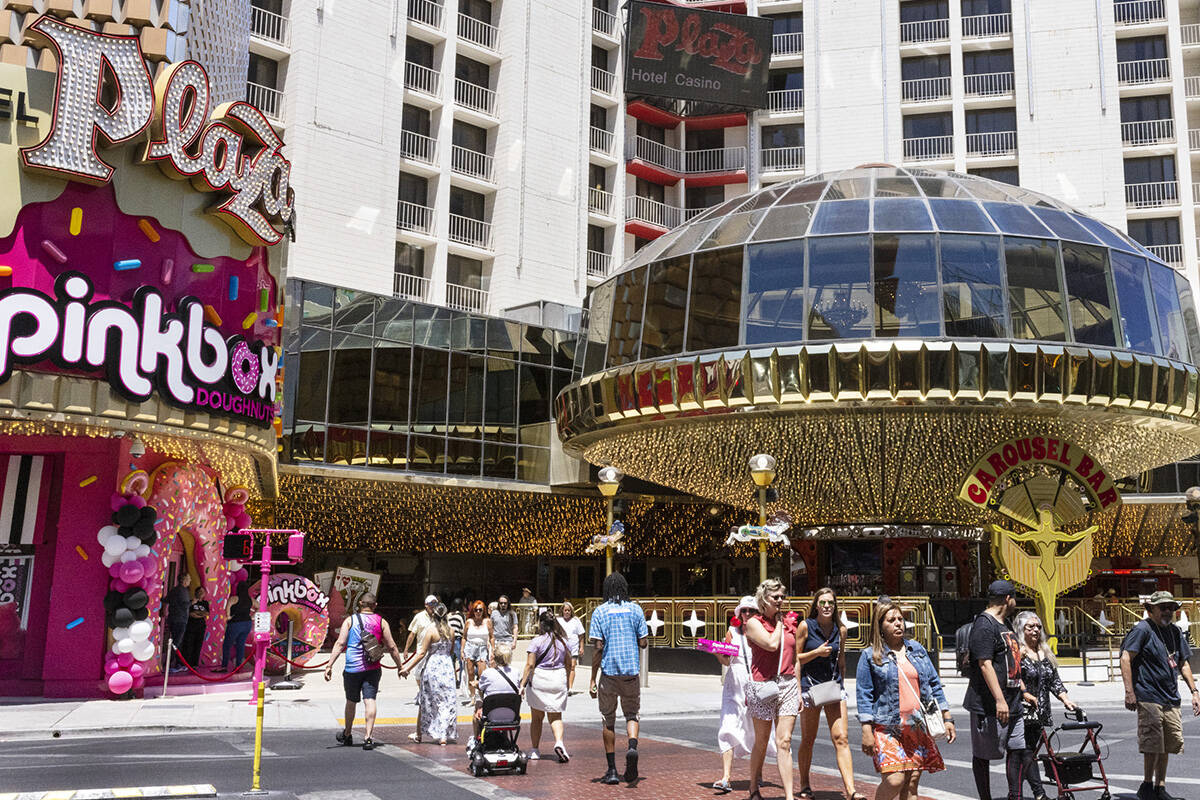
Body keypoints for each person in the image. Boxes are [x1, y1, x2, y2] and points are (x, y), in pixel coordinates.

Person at [857, 600, 954, 800]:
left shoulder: (917, 650)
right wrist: (866, 730)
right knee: (895, 780)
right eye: (891, 620)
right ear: (880, 625)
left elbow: (935, 684)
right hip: (887, 727)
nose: (898, 623)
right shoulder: (870, 656)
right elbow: (864, 693)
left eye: (900, 619)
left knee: (911, 785)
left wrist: (947, 716)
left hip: (916, 727)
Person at [1119, 590, 1200, 800]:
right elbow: (1126, 658)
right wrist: (1129, 692)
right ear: (1150, 609)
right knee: (1152, 744)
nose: (1168, 611)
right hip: (1148, 695)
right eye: (1162, 607)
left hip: (1170, 697)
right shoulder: (1142, 630)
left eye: (1171, 608)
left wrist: (1194, 692)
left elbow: (1183, 663)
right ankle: (1146, 786)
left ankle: (1159, 787)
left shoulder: (1174, 632)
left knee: (1168, 743)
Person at [963, 580, 1026, 800]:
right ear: (1008, 599)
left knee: (1017, 749)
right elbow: (984, 663)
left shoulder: (1005, 623)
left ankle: (1014, 795)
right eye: (1015, 598)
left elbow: (1007, 660)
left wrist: (1022, 689)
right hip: (988, 704)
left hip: (1014, 700)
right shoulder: (984, 624)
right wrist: (1000, 700)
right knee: (983, 755)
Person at [797, 588, 860, 800]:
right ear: (816, 605)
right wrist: (816, 653)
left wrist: (843, 685)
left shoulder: (840, 630)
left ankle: (851, 790)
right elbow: (796, 659)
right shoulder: (805, 626)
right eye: (822, 602)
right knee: (808, 738)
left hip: (833, 687)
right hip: (810, 688)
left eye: (830, 603)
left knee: (841, 737)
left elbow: (841, 661)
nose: (826, 606)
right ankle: (805, 785)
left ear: (835, 606)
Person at [588, 571, 648, 785]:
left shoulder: (600, 612)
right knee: (632, 714)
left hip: (609, 674)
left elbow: (597, 648)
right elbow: (643, 643)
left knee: (608, 719)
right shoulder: (635, 609)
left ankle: (612, 770)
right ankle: (632, 747)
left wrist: (592, 679)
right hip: (631, 672)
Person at [743, 578, 800, 800]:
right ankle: (753, 786)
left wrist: (798, 683)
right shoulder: (753, 623)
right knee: (762, 740)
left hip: (787, 683)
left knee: (784, 741)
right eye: (775, 597)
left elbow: (794, 656)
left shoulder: (790, 622)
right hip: (763, 685)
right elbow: (771, 644)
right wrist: (778, 623)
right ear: (763, 600)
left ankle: (788, 796)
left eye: (782, 596)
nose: (780, 601)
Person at [710, 595, 773, 794]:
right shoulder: (732, 632)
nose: (747, 614)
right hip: (734, 688)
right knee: (727, 727)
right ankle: (726, 777)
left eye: (751, 611)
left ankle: (757, 774)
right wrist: (716, 651)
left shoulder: (762, 633)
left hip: (756, 686)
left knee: (757, 731)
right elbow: (726, 661)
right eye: (744, 611)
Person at [323, 592, 403, 751]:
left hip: (352, 668)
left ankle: (347, 734)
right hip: (372, 668)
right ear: (375, 605)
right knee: (370, 700)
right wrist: (400, 667)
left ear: (359, 604)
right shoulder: (382, 622)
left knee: (351, 701)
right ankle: (368, 737)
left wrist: (329, 665)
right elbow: (392, 647)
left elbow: (340, 643)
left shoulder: (350, 621)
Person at [1014, 611, 1076, 800]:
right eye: (1030, 627)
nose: (1035, 630)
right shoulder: (1018, 651)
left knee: (1030, 752)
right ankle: (1038, 794)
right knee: (1026, 752)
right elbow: (1011, 678)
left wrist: (1066, 700)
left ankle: (1021, 792)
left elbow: (1054, 681)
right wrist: (1017, 658)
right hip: (1022, 711)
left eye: (1038, 626)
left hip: (1039, 712)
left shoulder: (1044, 652)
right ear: (1020, 629)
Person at [400, 602, 459, 745]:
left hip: (433, 667)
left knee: (426, 699)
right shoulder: (451, 631)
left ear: (434, 615)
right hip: (447, 667)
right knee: (446, 701)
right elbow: (450, 652)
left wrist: (407, 668)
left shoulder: (431, 631)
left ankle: (419, 734)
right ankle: (444, 735)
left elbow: (421, 653)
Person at [520, 610, 574, 762]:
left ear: (541, 624)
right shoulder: (564, 641)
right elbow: (569, 664)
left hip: (540, 679)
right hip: (558, 678)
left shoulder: (536, 641)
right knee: (556, 715)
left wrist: (522, 684)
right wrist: (568, 683)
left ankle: (535, 750)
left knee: (537, 718)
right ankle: (559, 742)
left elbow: (530, 664)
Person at [471, 644, 520, 746]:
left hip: (491, 715)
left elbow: (481, 687)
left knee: (478, 706)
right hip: (512, 715)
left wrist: (476, 684)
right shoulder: (516, 672)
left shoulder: (487, 673)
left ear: (495, 657)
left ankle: (476, 740)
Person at [217, 580, 253, 673]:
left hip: (236, 623)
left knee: (227, 645)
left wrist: (228, 616)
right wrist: (252, 616)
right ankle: (238, 666)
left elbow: (227, 608)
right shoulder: (250, 599)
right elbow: (258, 606)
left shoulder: (234, 598)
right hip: (247, 623)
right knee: (240, 645)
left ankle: (224, 666)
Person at [462, 600, 492, 704]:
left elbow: (492, 637)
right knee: (470, 673)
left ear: (483, 610)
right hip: (470, 647)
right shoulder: (469, 622)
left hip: (482, 648)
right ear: (473, 611)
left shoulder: (487, 621)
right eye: (476, 610)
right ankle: (472, 698)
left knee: (482, 674)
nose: (478, 612)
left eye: (480, 610)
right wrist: (462, 650)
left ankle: (482, 695)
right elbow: (464, 637)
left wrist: (492, 650)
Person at [163, 572, 191, 672]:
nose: (190, 581)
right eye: (188, 579)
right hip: (180, 619)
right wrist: (193, 601)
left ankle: (172, 663)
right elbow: (185, 605)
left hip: (173, 618)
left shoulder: (174, 590)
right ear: (184, 580)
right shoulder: (183, 591)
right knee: (177, 642)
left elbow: (165, 599)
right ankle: (173, 664)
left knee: (175, 641)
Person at [558, 601, 586, 694]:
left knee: (572, 667)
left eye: (568, 610)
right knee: (563, 667)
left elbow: (581, 634)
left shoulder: (576, 620)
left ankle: (570, 688)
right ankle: (563, 686)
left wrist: (581, 647)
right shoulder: (558, 620)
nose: (567, 612)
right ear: (562, 611)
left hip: (573, 647)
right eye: (565, 610)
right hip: (561, 648)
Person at [181, 585, 209, 669]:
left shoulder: (205, 603)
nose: (201, 593)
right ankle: (187, 664)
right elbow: (191, 614)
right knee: (189, 645)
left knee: (198, 645)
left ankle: (195, 664)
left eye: (203, 592)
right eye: (199, 592)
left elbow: (207, 613)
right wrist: (200, 614)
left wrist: (197, 614)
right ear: (196, 593)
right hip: (191, 627)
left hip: (201, 627)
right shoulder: (191, 602)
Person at [403, 595, 438, 663]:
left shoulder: (439, 618)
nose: (433, 606)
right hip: (421, 652)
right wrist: (406, 649)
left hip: (435, 654)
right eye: (431, 603)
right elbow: (412, 634)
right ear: (426, 605)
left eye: (435, 603)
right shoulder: (419, 617)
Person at [448, 599, 466, 697]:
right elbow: (463, 628)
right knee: (461, 662)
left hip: (449, 640)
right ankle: (461, 682)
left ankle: (453, 681)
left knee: (451, 663)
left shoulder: (448, 615)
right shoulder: (461, 615)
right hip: (458, 640)